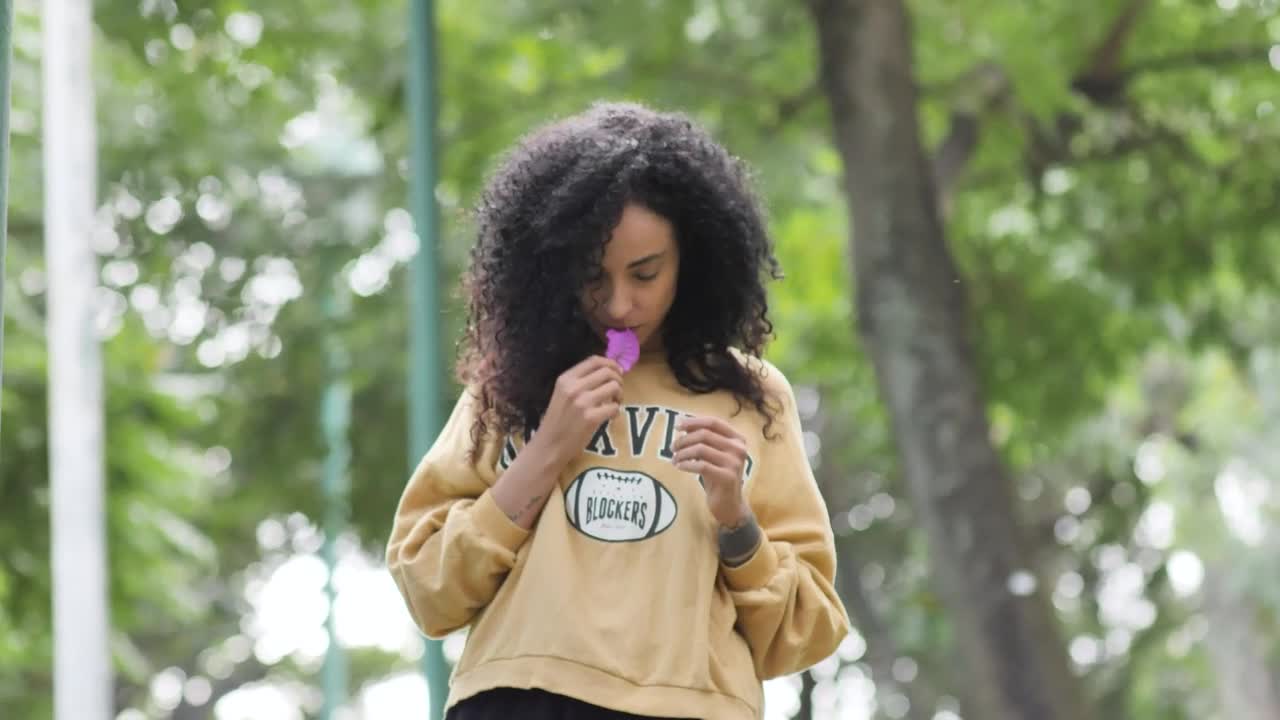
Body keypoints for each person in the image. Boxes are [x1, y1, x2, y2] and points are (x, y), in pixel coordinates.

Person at [386, 101, 850, 720]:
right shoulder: (513, 385)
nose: (620, 304)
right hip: (518, 700)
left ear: (693, 257)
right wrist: (549, 445)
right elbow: (428, 589)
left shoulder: (751, 396)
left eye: (645, 273)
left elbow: (806, 631)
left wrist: (735, 519)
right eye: (592, 278)